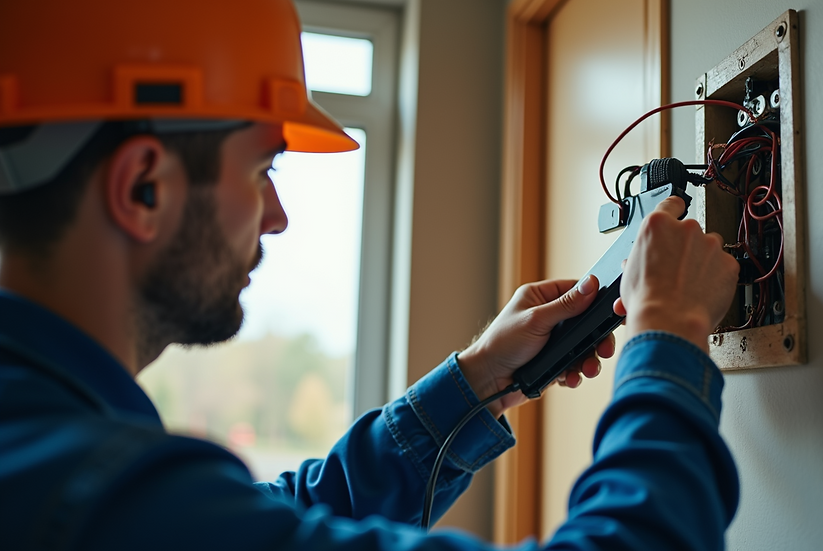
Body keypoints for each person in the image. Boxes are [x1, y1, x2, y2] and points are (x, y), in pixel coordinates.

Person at [0, 0, 741, 549]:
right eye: (263, 168)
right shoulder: (96, 498)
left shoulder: (50, 457)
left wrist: (476, 380)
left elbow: (281, 521)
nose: (276, 214)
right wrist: (666, 340)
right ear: (142, 188)